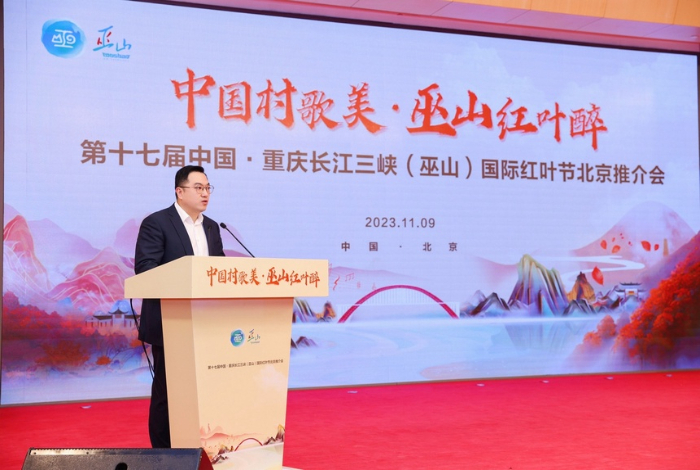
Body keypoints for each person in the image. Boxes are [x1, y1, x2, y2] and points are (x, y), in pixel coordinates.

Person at [134, 165, 226, 448]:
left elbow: (219, 271)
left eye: (208, 188)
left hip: (206, 323)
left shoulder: (211, 227)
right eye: (198, 188)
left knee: (203, 391)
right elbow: (146, 268)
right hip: (171, 323)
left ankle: (199, 447)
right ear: (179, 191)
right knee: (168, 393)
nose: (205, 193)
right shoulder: (157, 223)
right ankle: (163, 455)